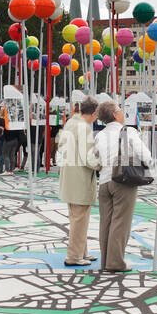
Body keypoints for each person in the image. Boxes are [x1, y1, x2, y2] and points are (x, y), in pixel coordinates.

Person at [90, 99, 155, 273]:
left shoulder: (100, 135)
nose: (122, 113)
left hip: (104, 182)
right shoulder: (128, 132)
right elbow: (145, 154)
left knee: (106, 223)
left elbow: (92, 158)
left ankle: (106, 260)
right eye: (119, 110)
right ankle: (116, 261)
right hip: (122, 180)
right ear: (114, 114)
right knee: (121, 222)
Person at [57, 98, 102, 266]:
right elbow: (89, 157)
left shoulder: (71, 123)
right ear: (94, 113)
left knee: (77, 218)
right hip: (80, 179)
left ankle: (81, 251)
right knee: (79, 219)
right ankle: (74, 256)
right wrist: (101, 165)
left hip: (69, 176)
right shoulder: (84, 128)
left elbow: (61, 146)